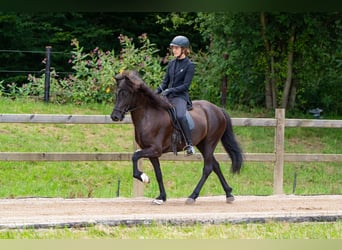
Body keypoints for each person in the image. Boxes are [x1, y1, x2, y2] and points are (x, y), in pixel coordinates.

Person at [155, 35, 195, 155]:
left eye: (176, 48)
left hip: (180, 97)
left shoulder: (189, 65)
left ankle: (189, 144)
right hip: (168, 95)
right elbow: (165, 82)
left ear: (184, 49)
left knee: (180, 116)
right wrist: (155, 92)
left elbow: (185, 86)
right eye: (173, 48)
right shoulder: (171, 63)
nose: (174, 50)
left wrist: (170, 90)